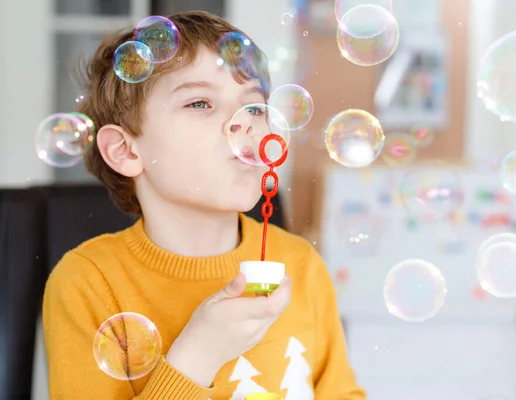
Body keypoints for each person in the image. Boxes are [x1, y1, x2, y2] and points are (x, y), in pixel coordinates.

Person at [42, 10, 366, 400]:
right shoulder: (87, 284)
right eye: (199, 103)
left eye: (255, 106)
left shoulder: (300, 264)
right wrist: (200, 351)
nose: (243, 123)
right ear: (126, 149)